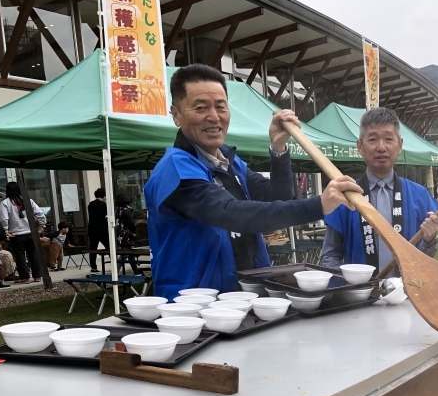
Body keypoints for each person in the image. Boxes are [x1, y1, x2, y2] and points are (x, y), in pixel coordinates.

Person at [144, 64, 359, 299]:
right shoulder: (176, 169)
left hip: (243, 296)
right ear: (176, 114)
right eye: (200, 107)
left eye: (220, 106)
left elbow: (277, 198)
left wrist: (278, 148)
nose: (214, 116)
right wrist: (319, 205)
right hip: (192, 304)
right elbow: (232, 214)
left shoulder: (231, 162)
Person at [321, 107, 438, 275]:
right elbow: (329, 256)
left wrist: (430, 240)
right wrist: (348, 287)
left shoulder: (419, 195)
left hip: (406, 294)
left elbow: (426, 257)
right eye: (372, 139)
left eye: (389, 139)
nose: (381, 147)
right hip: (361, 297)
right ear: (360, 146)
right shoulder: (344, 198)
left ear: (399, 145)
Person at [0, 182, 46, 284]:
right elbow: (40, 213)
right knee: (33, 255)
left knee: (20, 256)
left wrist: (5, 230)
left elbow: (3, 218)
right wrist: (42, 225)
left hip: (16, 234)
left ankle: (25, 277)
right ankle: (37, 276)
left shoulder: (5, 203)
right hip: (30, 232)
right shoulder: (28, 200)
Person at [87, 187, 109, 273]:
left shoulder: (91, 204)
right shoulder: (103, 205)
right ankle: (115, 263)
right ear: (104, 195)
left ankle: (93, 266)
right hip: (102, 229)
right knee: (109, 246)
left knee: (93, 248)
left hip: (92, 229)